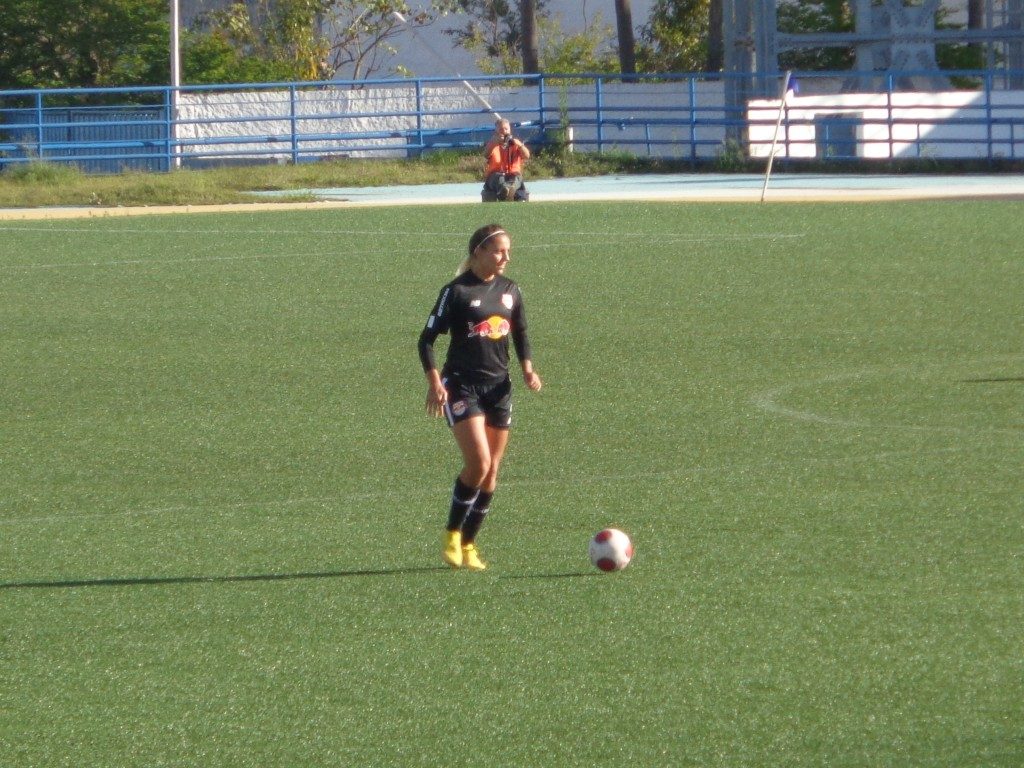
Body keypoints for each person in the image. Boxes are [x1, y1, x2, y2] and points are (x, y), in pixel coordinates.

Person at [417, 224, 543, 570]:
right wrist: (434, 382)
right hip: (462, 385)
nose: (506, 257)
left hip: (498, 388)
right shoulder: (456, 292)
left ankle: (470, 544)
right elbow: (426, 340)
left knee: (492, 473)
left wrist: (528, 369)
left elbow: (521, 333)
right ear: (478, 253)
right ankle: (452, 533)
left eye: (508, 251)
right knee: (479, 464)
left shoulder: (510, 290)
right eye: (499, 251)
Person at [482, 119, 531, 202]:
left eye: (506, 129)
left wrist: (520, 145)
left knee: (516, 179)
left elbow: (527, 156)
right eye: (501, 129)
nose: (504, 132)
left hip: (513, 175)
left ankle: (509, 190)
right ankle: (504, 190)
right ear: (496, 131)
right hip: (496, 175)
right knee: (499, 178)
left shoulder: (516, 144)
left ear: (510, 130)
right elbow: (486, 154)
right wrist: (494, 143)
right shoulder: (492, 143)